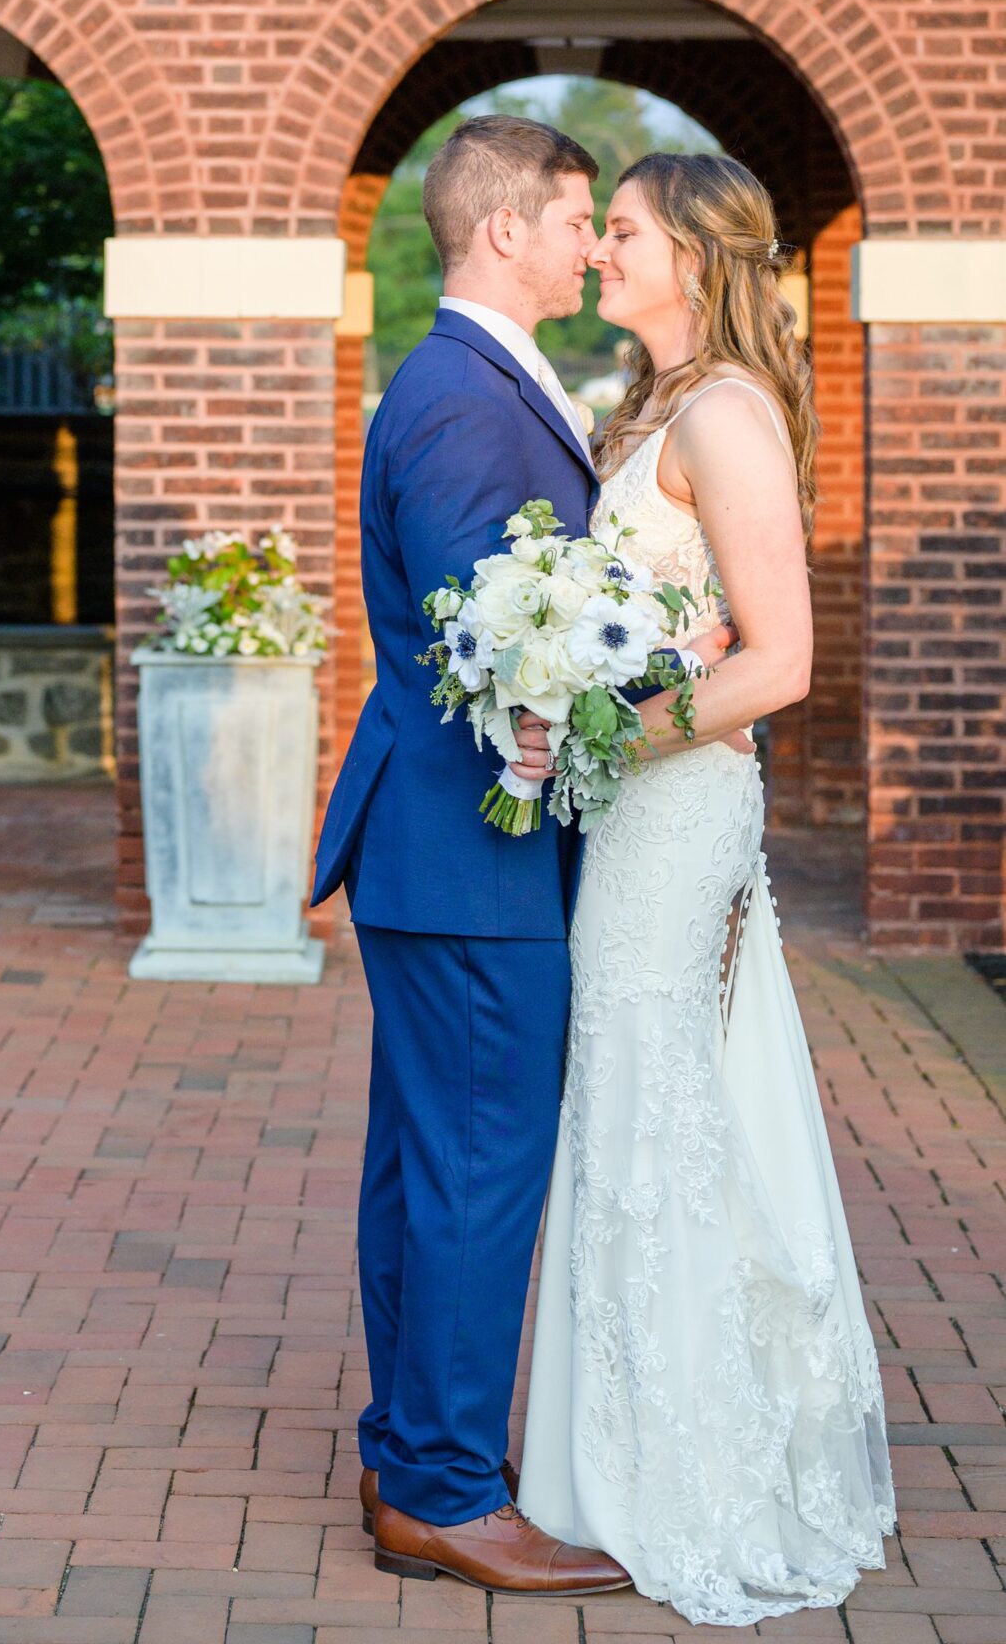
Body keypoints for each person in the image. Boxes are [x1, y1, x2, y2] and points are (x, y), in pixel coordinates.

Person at [513, 151, 896, 1625]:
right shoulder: (647, 410)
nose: (599, 250)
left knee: (646, 1099)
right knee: (631, 1101)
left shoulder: (729, 413)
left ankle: (670, 1478)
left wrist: (615, 729)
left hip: (680, 814)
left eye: (620, 229)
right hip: (632, 810)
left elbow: (780, 661)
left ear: (694, 250)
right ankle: (605, 1460)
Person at [313, 114, 645, 1596]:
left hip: (452, 855)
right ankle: (446, 1490)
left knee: (430, 1162)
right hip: (472, 850)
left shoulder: (483, 379)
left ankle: (412, 1452)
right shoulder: (459, 396)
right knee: (476, 1168)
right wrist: (659, 679)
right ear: (507, 228)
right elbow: (496, 633)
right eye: (581, 220)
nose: (593, 247)